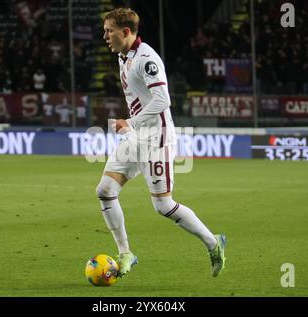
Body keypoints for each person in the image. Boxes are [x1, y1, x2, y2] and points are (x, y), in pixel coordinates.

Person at [97, 8, 226, 278]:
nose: (105, 35)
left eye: (109, 30)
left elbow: (162, 100)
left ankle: (213, 242)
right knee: (105, 190)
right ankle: (125, 253)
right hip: (137, 137)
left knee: (163, 206)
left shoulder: (146, 59)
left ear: (126, 32)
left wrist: (130, 122)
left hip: (157, 139)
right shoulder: (124, 57)